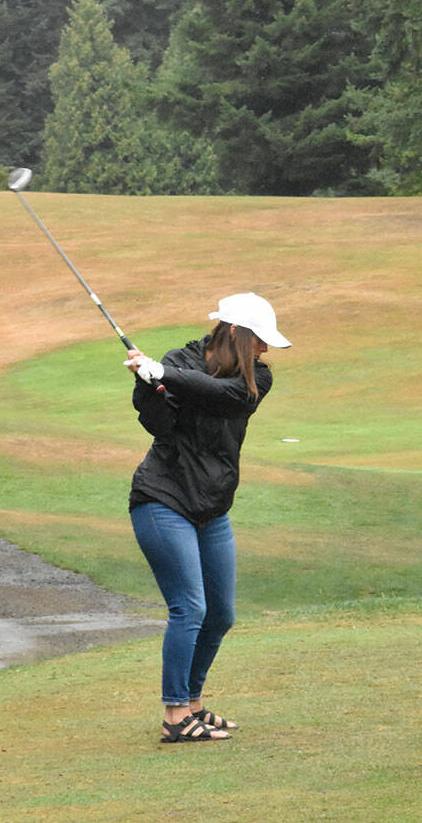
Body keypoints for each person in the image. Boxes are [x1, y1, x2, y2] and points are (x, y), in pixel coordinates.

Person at [124, 292, 291, 743]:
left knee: (220, 614)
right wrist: (148, 383)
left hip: (212, 507)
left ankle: (193, 703)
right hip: (163, 498)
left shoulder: (255, 379)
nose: (265, 349)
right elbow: (159, 422)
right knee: (190, 607)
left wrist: (166, 375)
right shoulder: (181, 359)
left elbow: (224, 397)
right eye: (259, 339)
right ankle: (176, 716)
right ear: (235, 333)